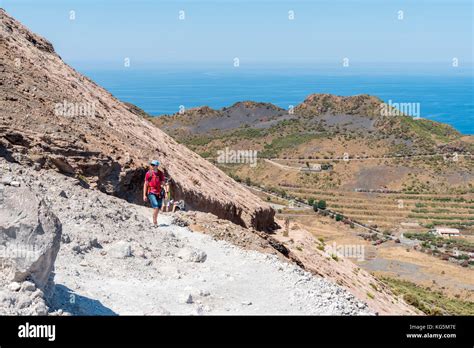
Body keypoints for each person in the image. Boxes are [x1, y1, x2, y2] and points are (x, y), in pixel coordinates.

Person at [143, 160, 165, 226]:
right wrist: (144, 195)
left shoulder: (160, 173)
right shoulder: (148, 173)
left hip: (159, 192)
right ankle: (155, 222)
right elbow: (145, 184)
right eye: (151, 164)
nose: (151, 166)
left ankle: (155, 218)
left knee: (158, 207)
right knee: (156, 206)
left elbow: (163, 182)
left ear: (157, 166)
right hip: (151, 192)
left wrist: (162, 184)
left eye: (153, 165)